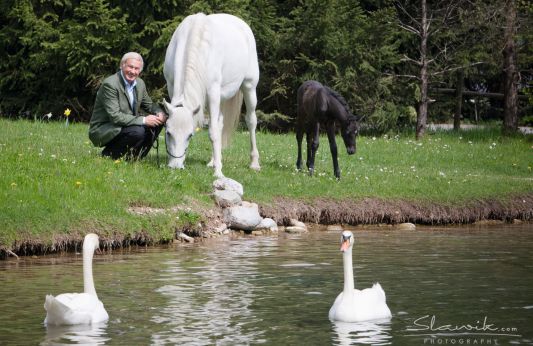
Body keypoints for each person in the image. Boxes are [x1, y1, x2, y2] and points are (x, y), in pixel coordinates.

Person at [89, 52, 166, 160]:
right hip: (104, 128)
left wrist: (160, 113)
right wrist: (144, 120)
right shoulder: (110, 85)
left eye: (136, 69)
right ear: (122, 65)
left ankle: (134, 158)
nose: (133, 71)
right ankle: (107, 156)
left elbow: (149, 105)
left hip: (125, 125)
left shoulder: (140, 83)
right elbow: (115, 116)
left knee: (157, 122)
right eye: (130, 67)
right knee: (137, 131)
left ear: (140, 70)